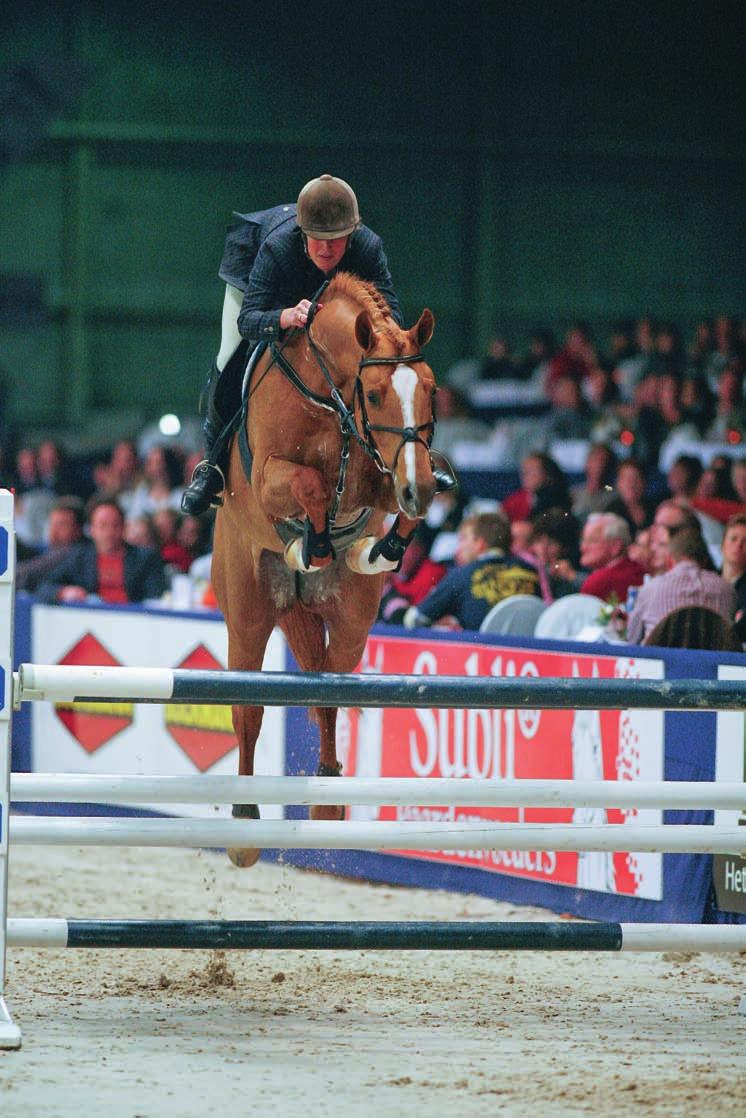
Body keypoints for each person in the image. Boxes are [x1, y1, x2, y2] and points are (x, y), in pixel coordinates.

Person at [181, 173, 403, 516]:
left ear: (351, 233)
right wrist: (284, 317)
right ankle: (212, 467)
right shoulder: (278, 247)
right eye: (317, 239)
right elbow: (249, 319)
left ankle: (405, 459)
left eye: (336, 240)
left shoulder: (368, 247)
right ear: (303, 233)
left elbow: (391, 315)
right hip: (264, 294)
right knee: (231, 357)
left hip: (320, 306)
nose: (327, 249)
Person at [402, 511, 540, 631]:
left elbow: (413, 619)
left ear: (479, 544)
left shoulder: (463, 574)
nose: (458, 548)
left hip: (480, 656)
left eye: (463, 539)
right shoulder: (531, 571)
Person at [35, 495, 167, 605]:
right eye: (103, 526)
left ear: (124, 527)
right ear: (92, 529)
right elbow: (44, 588)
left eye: (115, 525)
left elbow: (155, 599)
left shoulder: (145, 558)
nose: (109, 532)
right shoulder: (79, 557)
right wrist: (64, 592)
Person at [626, 526, 735, 645]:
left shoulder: (651, 588)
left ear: (670, 560)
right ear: (704, 561)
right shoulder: (727, 590)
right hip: (711, 662)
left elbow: (632, 639)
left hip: (659, 660)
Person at [15, 496, 86, 593]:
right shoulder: (51, 548)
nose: (54, 531)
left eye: (61, 525)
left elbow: (27, 574)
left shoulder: (73, 551)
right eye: (52, 524)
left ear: (78, 529)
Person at [577, 513, 645, 604]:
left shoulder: (597, 582)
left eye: (592, 541)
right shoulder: (640, 570)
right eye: (583, 540)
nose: (583, 548)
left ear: (615, 546)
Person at [720, 512, 746, 642]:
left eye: (745, 541)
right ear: (722, 545)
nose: (738, 546)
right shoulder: (707, 578)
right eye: (733, 538)